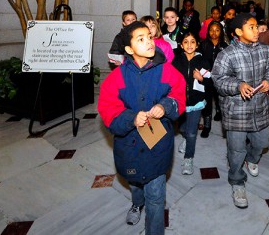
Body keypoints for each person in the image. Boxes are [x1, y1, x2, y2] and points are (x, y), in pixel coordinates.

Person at [98, 21, 186, 235]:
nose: (149, 41)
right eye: (141, 39)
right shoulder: (116, 77)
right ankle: (137, 203)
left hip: (158, 145)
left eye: (149, 36)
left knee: (156, 196)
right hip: (129, 145)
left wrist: (164, 106)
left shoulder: (167, 70)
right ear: (129, 49)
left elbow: (178, 94)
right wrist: (130, 118)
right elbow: (108, 109)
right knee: (136, 183)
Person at [211, 13, 269, 209]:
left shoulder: (266, 50)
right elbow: (218, 80)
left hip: (260, 108)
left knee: (262, 142)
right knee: (236, 149)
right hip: (236, 111)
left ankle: (252, 159)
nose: (257, 31)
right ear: (239, 32)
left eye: (257, 27)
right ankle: (237, 181)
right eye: (252, 27)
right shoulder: (227, 54)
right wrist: (238, 85)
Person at [172, 31, 211, 175]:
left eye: (192, 41)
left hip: (196, 102)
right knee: (182, 128)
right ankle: (185, 137)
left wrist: (201, 78)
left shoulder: (203, 61)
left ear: (197, 44)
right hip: (181, 102)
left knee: (192, 132)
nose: (189, 45)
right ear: (181, 45)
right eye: (186, 42)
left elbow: (210, 81)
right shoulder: (176, 61)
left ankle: (188, 159)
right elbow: (171, 80)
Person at [200, 20, 229, 133]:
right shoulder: (203, 44)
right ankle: (207, 126)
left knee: (220, 98)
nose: (214, 33)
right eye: (211, 30)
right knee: (206, 100)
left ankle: (219, 112)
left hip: (221, 78)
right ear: (208, 32)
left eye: (217, 30)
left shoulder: (225, 46)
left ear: (221, 32)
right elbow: (199, 59)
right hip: (206, 78)